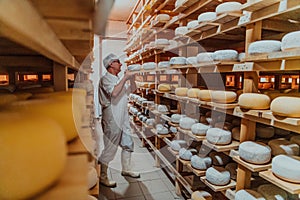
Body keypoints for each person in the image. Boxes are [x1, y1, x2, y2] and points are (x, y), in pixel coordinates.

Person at [98, 53, 140, 187]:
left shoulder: (118, 78)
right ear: (111, 64)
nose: (121, 64)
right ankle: (102, 176)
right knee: (110, 147)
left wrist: (131, 79)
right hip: (111, 116)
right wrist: (125, 77)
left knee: (128, 143)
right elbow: (114, 93)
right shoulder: (105, 79)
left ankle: (126, 169)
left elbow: (133, 89)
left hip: (123, 116)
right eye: (118, 62)